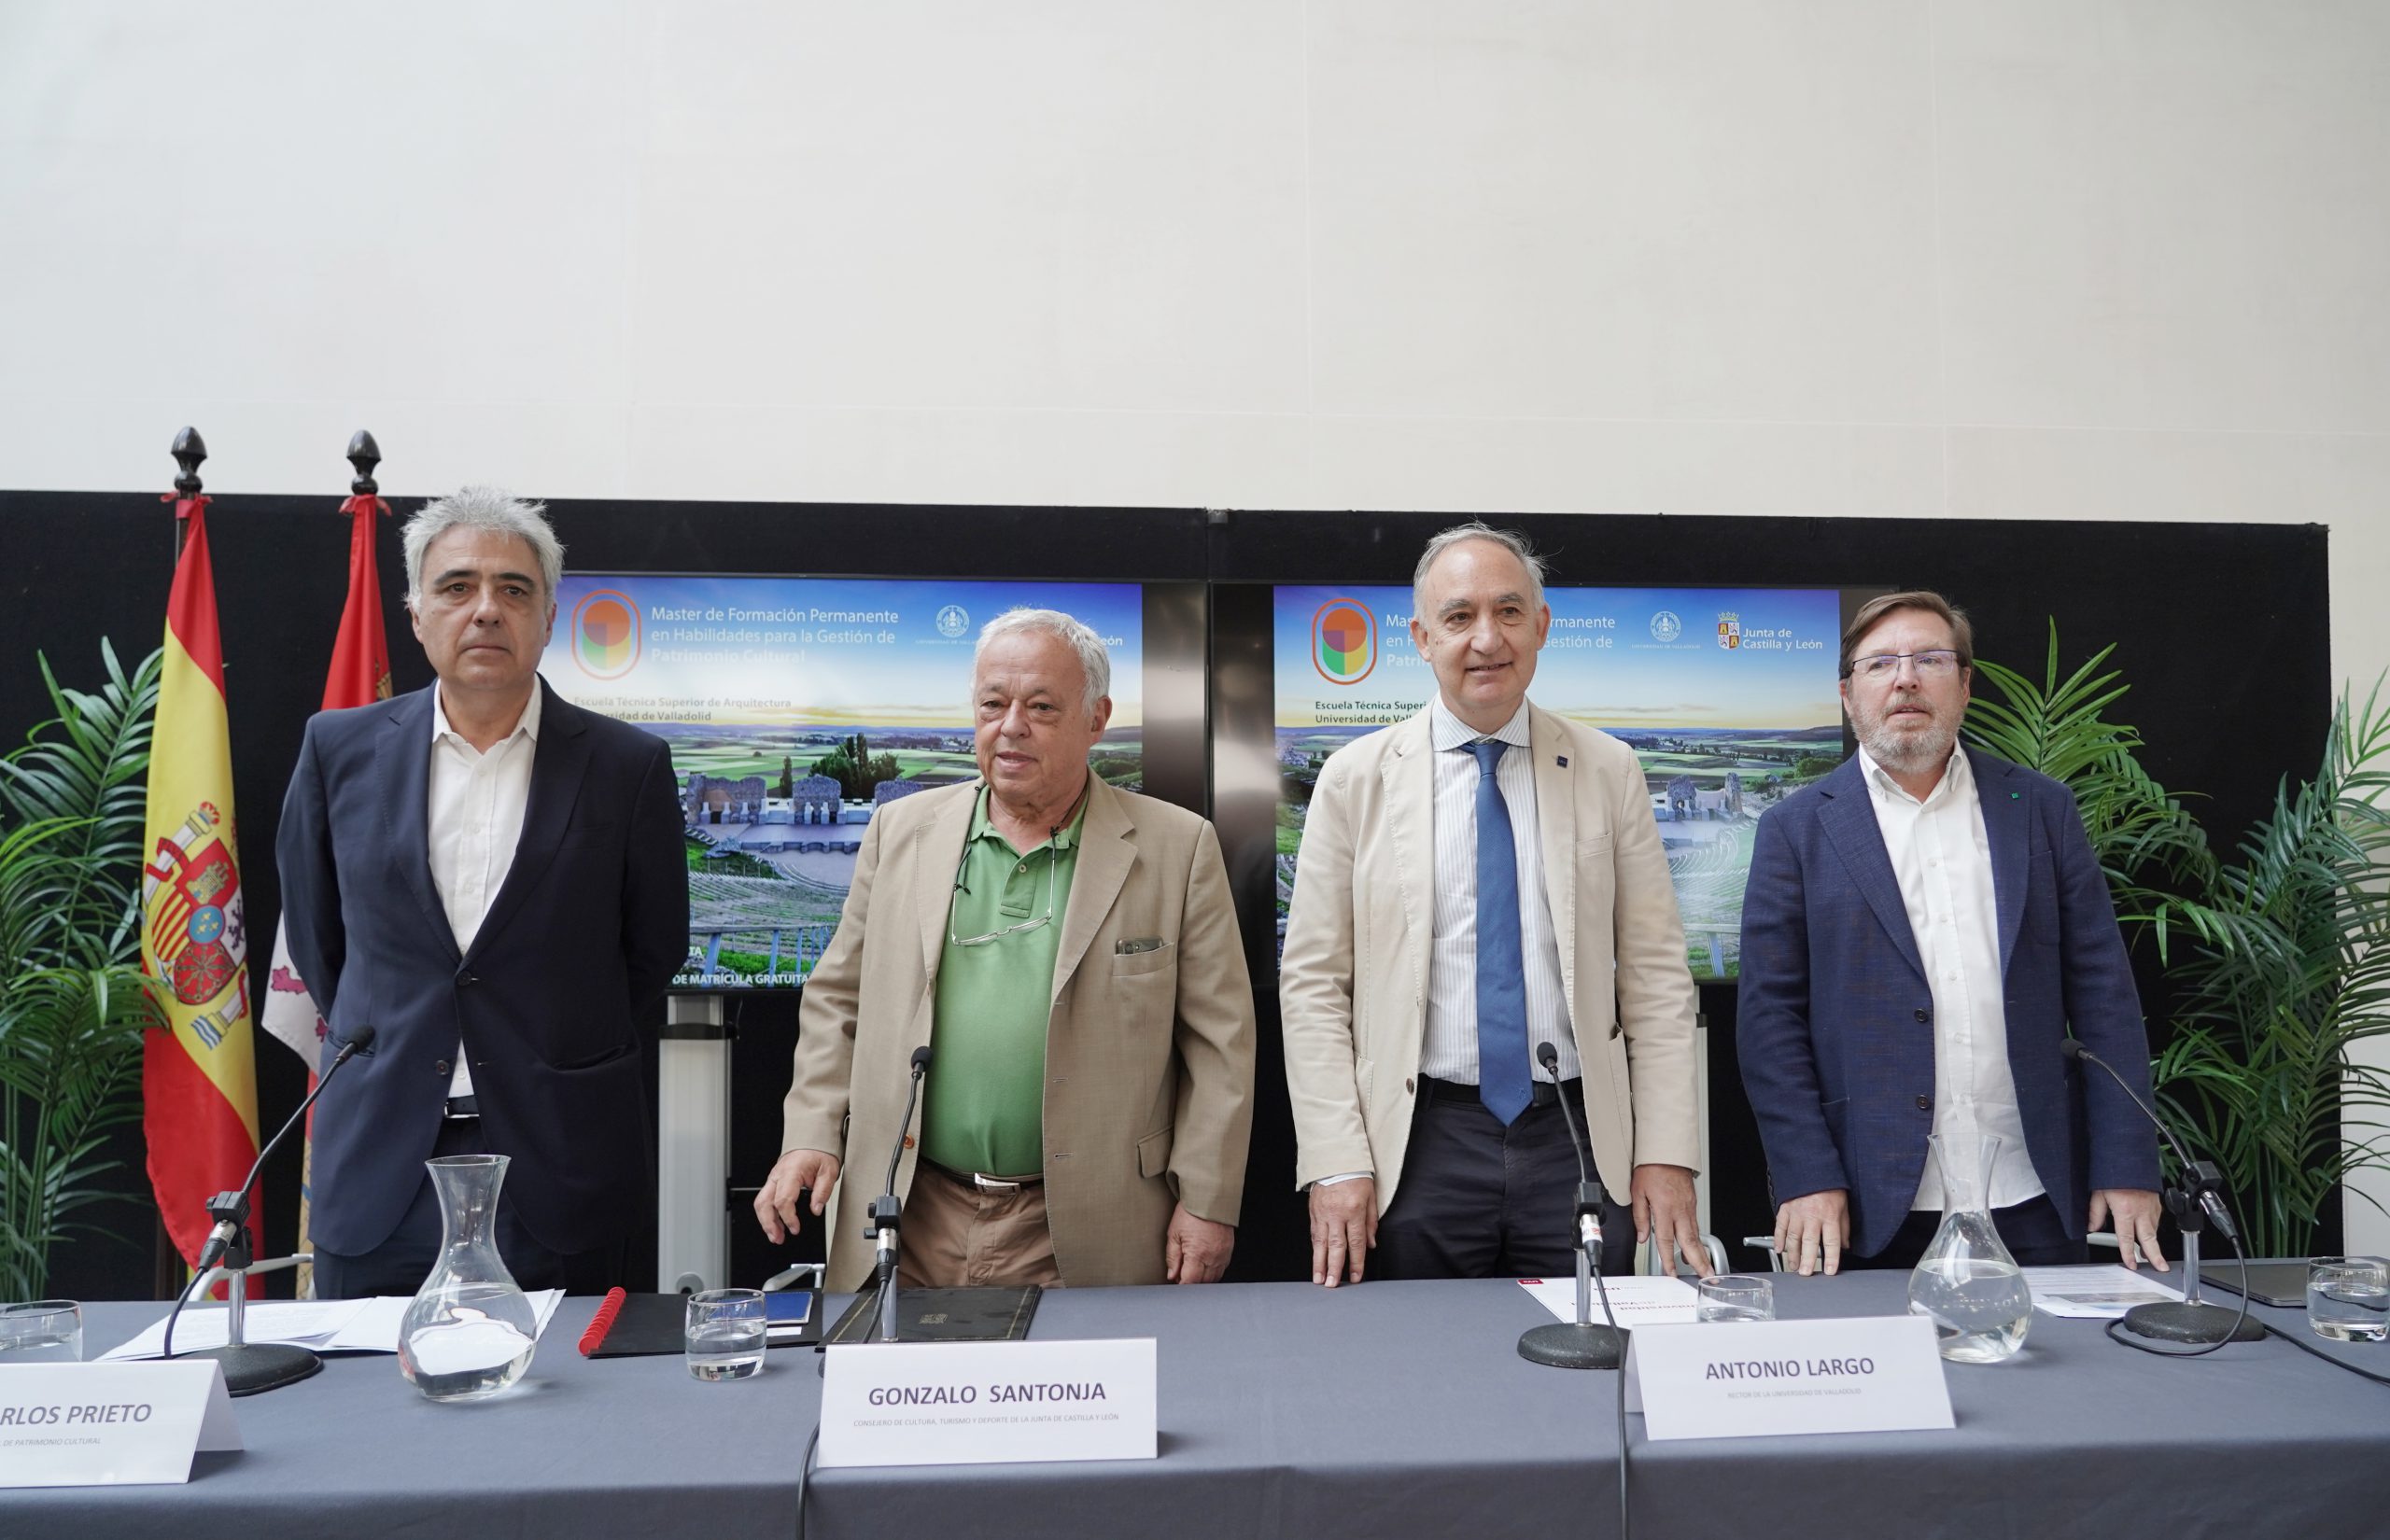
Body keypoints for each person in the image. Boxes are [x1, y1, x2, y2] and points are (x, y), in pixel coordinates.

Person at [753, 609, 1256, 1290]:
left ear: (1097, 719)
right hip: (909, 1216)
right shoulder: (899, 831)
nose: (1011, 725)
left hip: (1086, 1227)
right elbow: (837, 999)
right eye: (993, 704)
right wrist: (811, 1132)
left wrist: (1207, 1200)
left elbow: (1221, 1045)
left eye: (1042, 707)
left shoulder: (1178, 848)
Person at [278, 487, 688, 1298]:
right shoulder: (337, 751)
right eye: (457, 587)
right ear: (417, 613)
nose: (486, 610)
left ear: (548, 617)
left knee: (565, 1383)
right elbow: (321, 941)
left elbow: (652, 949)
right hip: (382, 1170)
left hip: (559, 1169)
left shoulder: (627, 767)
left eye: (514, 589)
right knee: (370, 1384)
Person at [1281, 524, 1710, 1286]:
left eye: (1509, 612)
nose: (1487, 638)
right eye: (1459, 617)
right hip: (1415, 1142)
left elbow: (1656, 978)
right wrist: (1336, 1159)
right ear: (1421, 638)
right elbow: (1313, 987)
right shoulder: (1354, 780)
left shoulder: (1609, 770)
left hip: (1578, 1138)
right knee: (1419, 1353)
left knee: (1587, 1350)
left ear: (1541, 626)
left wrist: (1666, 1153)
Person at [1737, 590, 2165, 1276]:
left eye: (1930, 660)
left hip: (2034, 1190)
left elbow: (2105, 996)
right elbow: (1769, 1021)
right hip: (1864, 1202)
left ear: (1965, 684)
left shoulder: (2041, 809)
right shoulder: (1795, 829)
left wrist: (2127, 1164)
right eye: (1880, 664)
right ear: (1848, 695)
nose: (1905, 679)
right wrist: (1807, 1173)